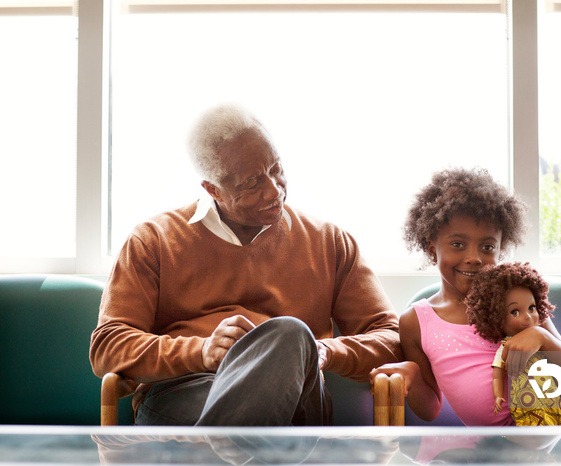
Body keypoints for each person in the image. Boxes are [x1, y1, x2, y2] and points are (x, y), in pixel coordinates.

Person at [90, 103, 402, 426]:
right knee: (286, 360)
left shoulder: (329, 242)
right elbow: (107, 346)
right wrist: (201, 352)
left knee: (293, 335)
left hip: (295, 397)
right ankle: (233, 446)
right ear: (213, 190)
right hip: (190, 390)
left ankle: (217, 448)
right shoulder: (153, 241)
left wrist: (318, 352)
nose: (275, 190)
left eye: (276, 168)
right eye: (252, 183)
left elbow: (392, 338)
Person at [369, 167, 561, 426]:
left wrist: (541, 336)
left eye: (487, 247)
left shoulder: (518, 298)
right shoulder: (416, 322)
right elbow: (430, 410)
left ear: (501, 250)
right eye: (458, 244)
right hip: (499, 443)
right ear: (432, 249)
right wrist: (412, 375)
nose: (474, 257)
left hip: (560, 410)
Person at [466, 261, 561, 426]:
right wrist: (498, 396)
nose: (528, 317)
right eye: (515, 312)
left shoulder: (541, 344)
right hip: (525, 399)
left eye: (532, 308)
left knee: (554, 422)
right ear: (496, 319)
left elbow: (553, 368)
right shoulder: (506, 346)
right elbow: (497, 374)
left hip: (549, 396)